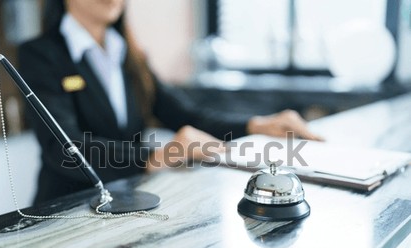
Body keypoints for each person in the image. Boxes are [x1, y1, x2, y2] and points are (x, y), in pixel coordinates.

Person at [19, 0, 321, 204]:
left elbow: (186, 117)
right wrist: (156, 157)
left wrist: (258, 124)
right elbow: (62, 147)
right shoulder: (40, 55)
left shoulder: (127, 55)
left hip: (124, 200)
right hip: (65, 207)